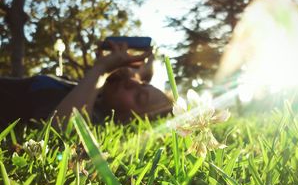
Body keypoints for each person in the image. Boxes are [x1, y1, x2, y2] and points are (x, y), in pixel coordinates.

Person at [0, 41, 173, 128]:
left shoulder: (92, 118)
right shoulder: (84, 91)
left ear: (128, 121)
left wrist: (101, 70)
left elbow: (59, 132)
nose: (133, 83)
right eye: (142, 84)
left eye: (139, 97)